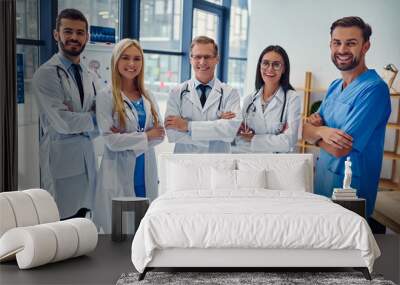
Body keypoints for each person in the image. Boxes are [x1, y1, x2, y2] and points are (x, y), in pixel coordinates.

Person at [303, 16, 391, 218]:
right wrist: (321, 131)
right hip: (323, 182)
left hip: (351, 191)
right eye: (337, 43)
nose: (342, 50)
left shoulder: (374, 90)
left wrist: (314, 133)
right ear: (330, 45)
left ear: (365, 46)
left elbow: (339, 147)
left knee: (346, 245)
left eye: (351, 43)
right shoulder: (335, 86)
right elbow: (307, 127)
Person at [32, 9, 99, 218]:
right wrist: (95, 118)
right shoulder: (46, 74)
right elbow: (64, 123)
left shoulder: (89, 74)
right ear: (56, 35)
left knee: (84, 227)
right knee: (62, 226)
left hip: (87, 161)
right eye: (68, 31)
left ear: (87, 37)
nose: (74, 37)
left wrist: (84, 119)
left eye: (80, 33)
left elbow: (101, 118)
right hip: (62, 164)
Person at [94, 39, 165, 233]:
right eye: (125, 58)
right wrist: (146, 135)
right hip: (117, 169)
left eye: (137, 59)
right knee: (118, 231)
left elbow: (160, 135)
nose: (131, 64)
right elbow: (111, 141)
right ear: (116, 61)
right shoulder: (106, 96)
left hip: (145, 169)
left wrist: (129, 137)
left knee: (143, 228)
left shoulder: (147, 95)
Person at [165, 36, 241, 153]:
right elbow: (172, 134)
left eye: (207, 57)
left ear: (217, 59)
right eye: (197, 57)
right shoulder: (176, 93)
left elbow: (230, 131)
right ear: (190, 59)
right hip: (185, 163)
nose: (202, 62)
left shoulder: (230, 93)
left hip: (218, 163)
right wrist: (216, 128)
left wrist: (187, 126)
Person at [233, 45, 301, 153]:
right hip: (251, 162)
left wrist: (253, 138)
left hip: (278, 165)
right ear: (260, 66)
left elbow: (289, 141)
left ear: (283, 69)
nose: (270, 69)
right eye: (265, 63)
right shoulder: (249, 100)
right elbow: (240, 140)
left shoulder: (292, 98)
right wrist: (276, 140)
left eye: (276, 65)